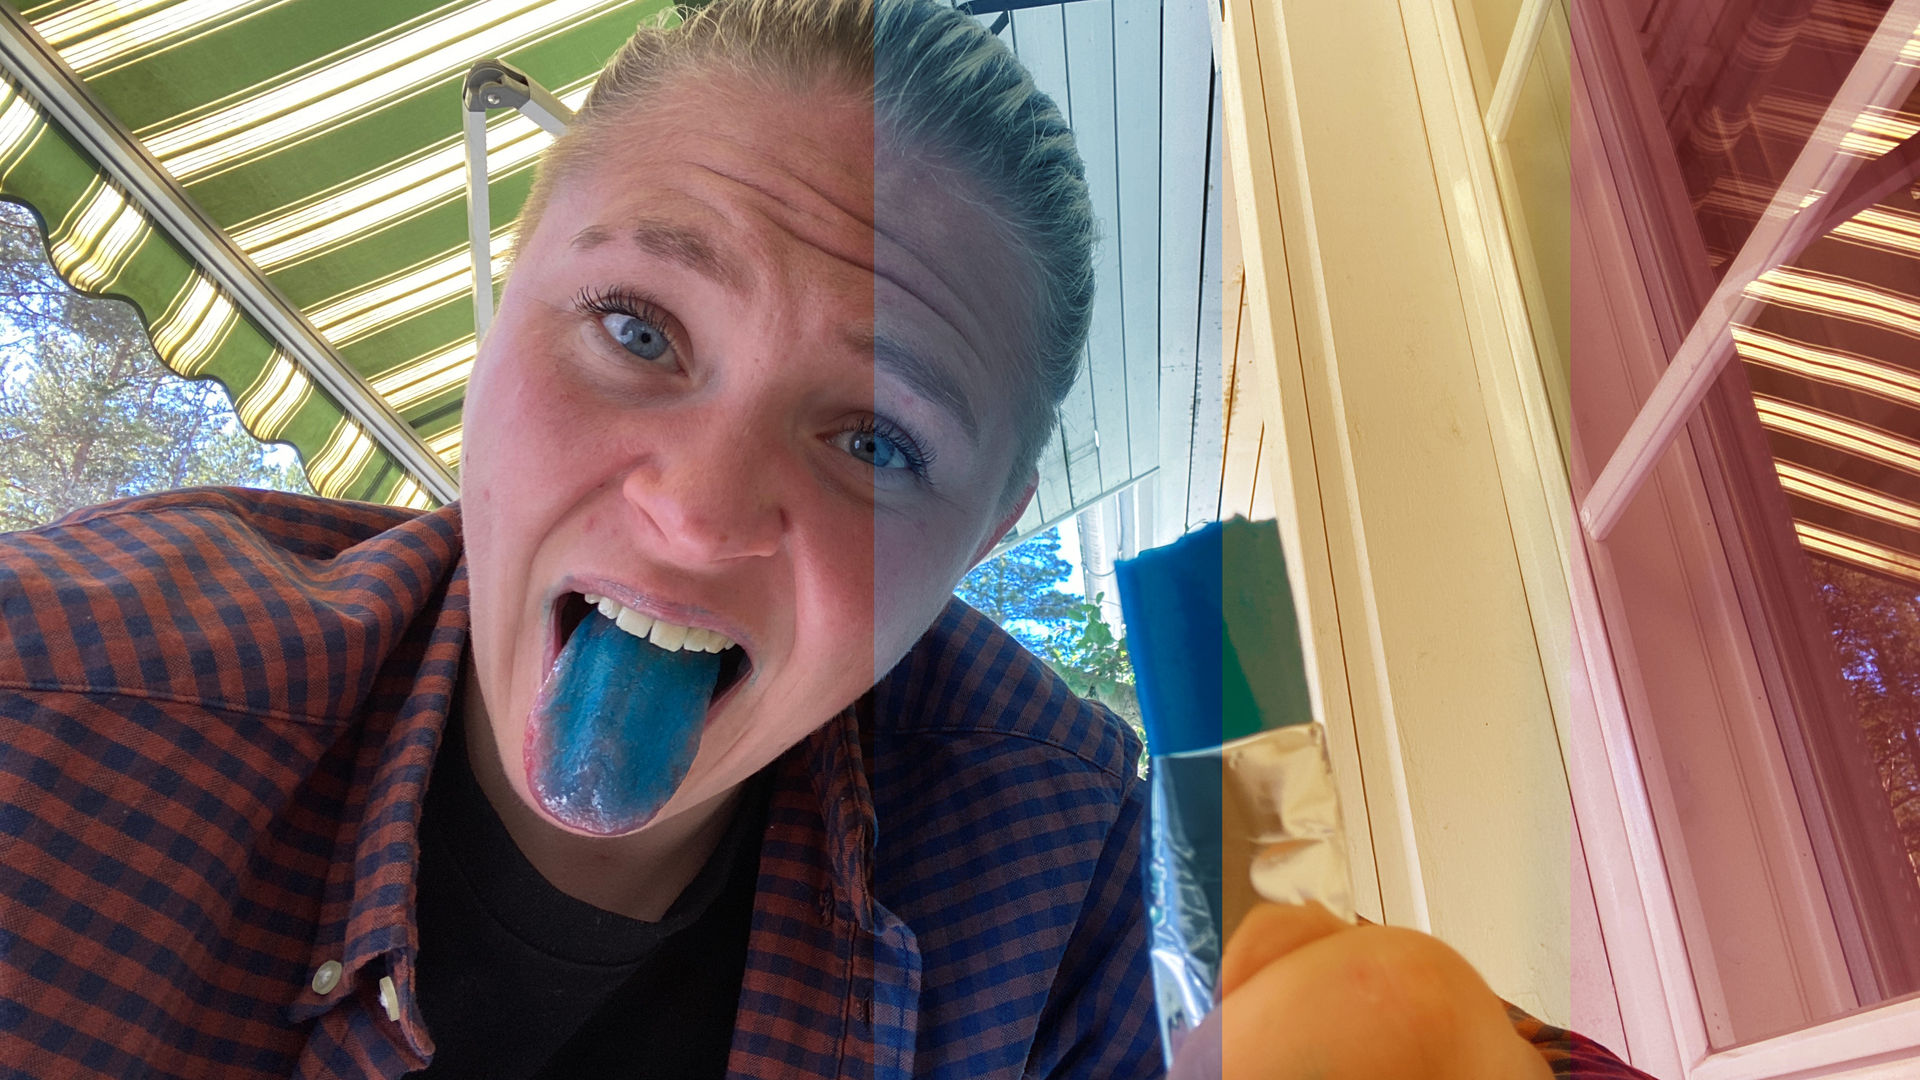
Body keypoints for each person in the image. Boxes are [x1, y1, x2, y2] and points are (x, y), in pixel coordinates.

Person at [0, 0, 1646, 1076]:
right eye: (637, 328)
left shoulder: (1044, 844)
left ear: (985, 541)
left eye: (873, 440)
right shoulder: (54, 717)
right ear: (503, 311)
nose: (698, 512)